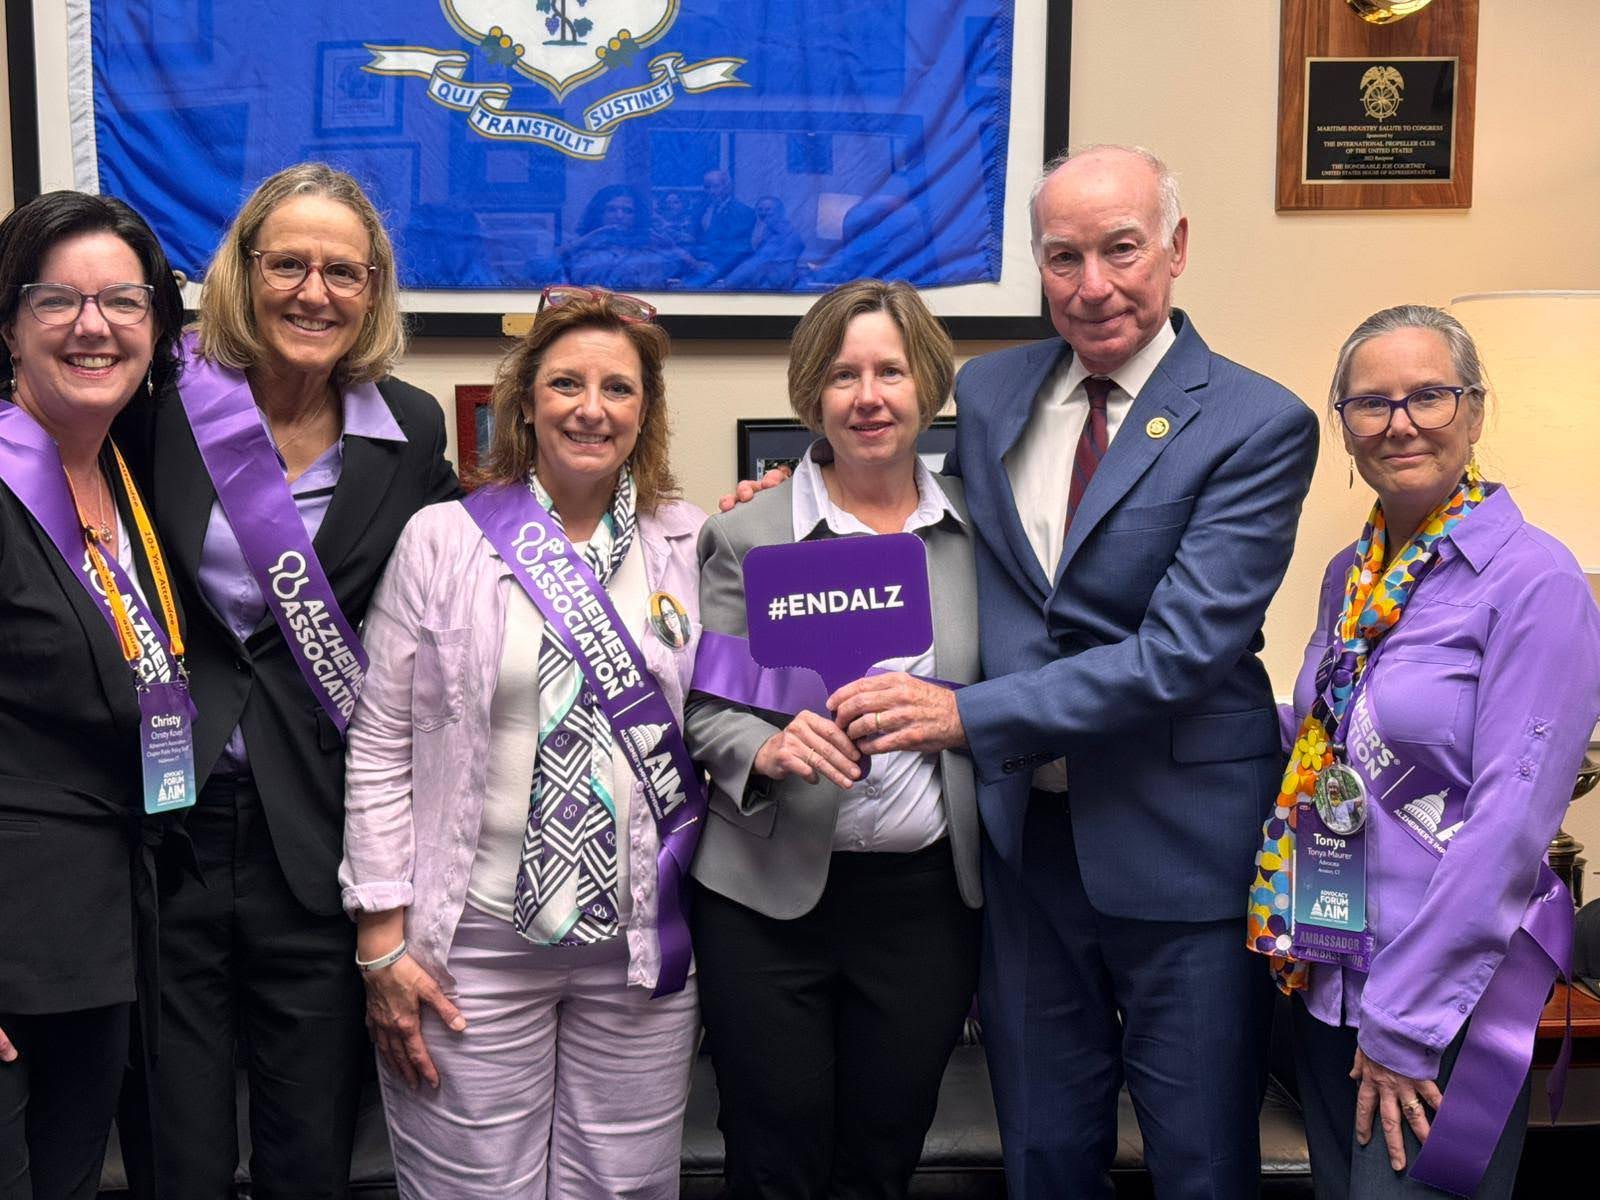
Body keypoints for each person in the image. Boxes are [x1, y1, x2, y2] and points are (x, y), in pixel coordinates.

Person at [824, 145, 1321, 1197]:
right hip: (1022, 852)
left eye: (1120, 249)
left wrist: (968, 716)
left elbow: (1182, 653)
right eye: (1062, 257)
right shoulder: (992, 391)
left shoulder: (1255, 422)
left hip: (1177, 842)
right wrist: (786, 513)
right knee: (1043, 1155)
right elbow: (927, 542)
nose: (1092, 284)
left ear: (1175, 250)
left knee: (1197, 1159)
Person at [113, 162, 458, 1199]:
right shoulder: (157, 394)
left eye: (343, 272)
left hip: (316, 837)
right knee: (178, 1154)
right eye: (290, 265)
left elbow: (465, 563)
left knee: (311, 1150)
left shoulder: (409, 426)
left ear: (373, 291)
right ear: (243, 273)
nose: (316, 292)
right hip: (168, 821)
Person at [341, 285, 707, 1199]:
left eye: (618, 389)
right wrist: (382, 942)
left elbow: (730, 719)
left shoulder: (695, 542)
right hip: (470, 945)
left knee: (620, 1187)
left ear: (646, 411)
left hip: (638, 945)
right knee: (473, 1188)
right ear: (526, 400)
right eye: (565, 384)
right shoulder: (443, 540)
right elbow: (382, 740)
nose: (591, 409)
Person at [1251, 305, 1600, 1198]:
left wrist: (1405, 1023)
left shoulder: (1537, 581)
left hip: (1438, 1002)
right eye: (1371, 404)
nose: (1400, 422)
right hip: (1329, 969)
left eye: (1429, 397)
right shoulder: (1349, 574)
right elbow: (1325, 751)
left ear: (1475, 412)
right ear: (1346, 429)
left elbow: (1509, 830)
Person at [686, 279, 982, 1198]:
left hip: (925, 903)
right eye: (844, 374)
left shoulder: (981, 534)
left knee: (884, 1155)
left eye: (890, 371)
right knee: (774, 1159)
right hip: (767, 904)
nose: (868, 397)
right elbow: (705, 705)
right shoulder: (747, 532)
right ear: (812, 391)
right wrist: (761, 752)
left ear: (925, 385)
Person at [0, 191, 187, 1199]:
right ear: (8, 326)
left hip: (104, 936)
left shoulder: (137, 473)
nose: (92, 325)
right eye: (56, 300)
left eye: (122, 299)